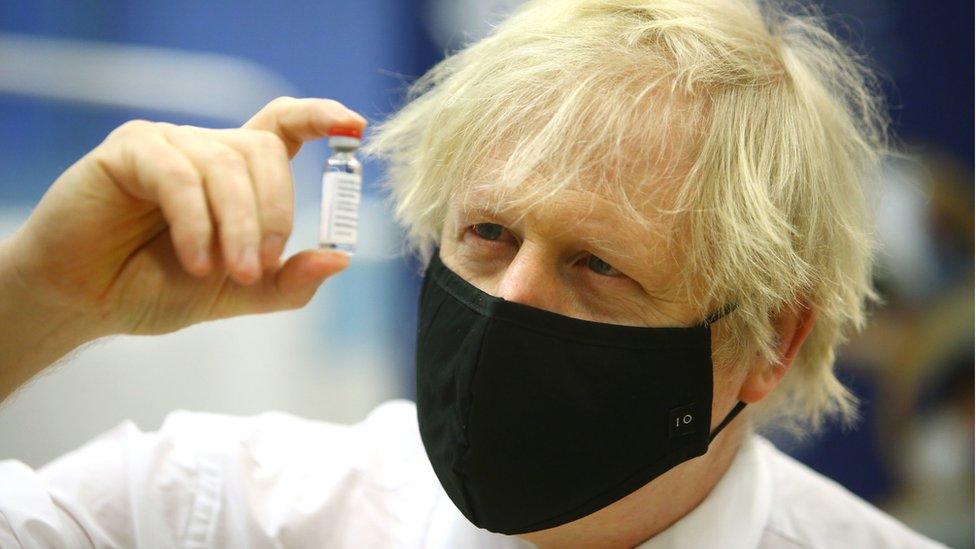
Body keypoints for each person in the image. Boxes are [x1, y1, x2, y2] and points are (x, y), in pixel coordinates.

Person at [0, 0, 946, 547]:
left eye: (597, 263)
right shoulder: (223, 511)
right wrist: (40, 297)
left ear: (769, 340)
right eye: (487, 231)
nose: (511, 299)